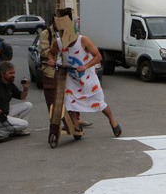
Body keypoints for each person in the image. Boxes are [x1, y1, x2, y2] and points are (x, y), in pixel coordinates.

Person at [47, 8, 120, 137]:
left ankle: (112, 120)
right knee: (69, 101)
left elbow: (98, 57)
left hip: (87, 77)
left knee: (100, 103)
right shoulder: (58, 42)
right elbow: (51, 53)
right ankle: (75, 125)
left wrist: (86, 66)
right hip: (71, 78)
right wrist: (51, 60)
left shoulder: (83, 40)